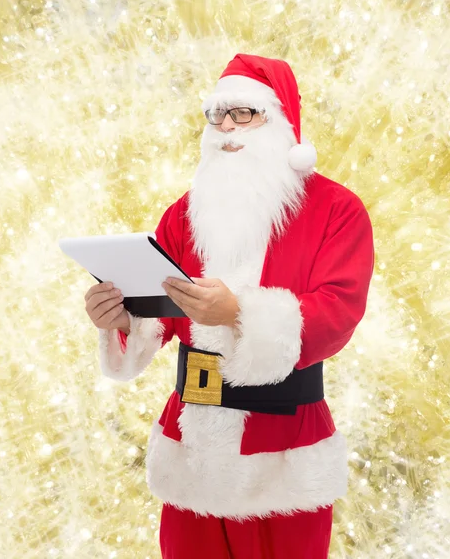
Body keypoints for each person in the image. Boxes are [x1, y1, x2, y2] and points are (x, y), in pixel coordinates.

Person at [85, 53, 375, 559]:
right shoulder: (184, 212)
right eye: (217, 115)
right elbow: (160, 310)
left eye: (244, 112)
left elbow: (339, 310)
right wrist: (119, 318)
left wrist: (239, 312)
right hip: (191, 450)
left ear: (280, 123)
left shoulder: (336, 209)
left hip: (283, 453)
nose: (226, 127)